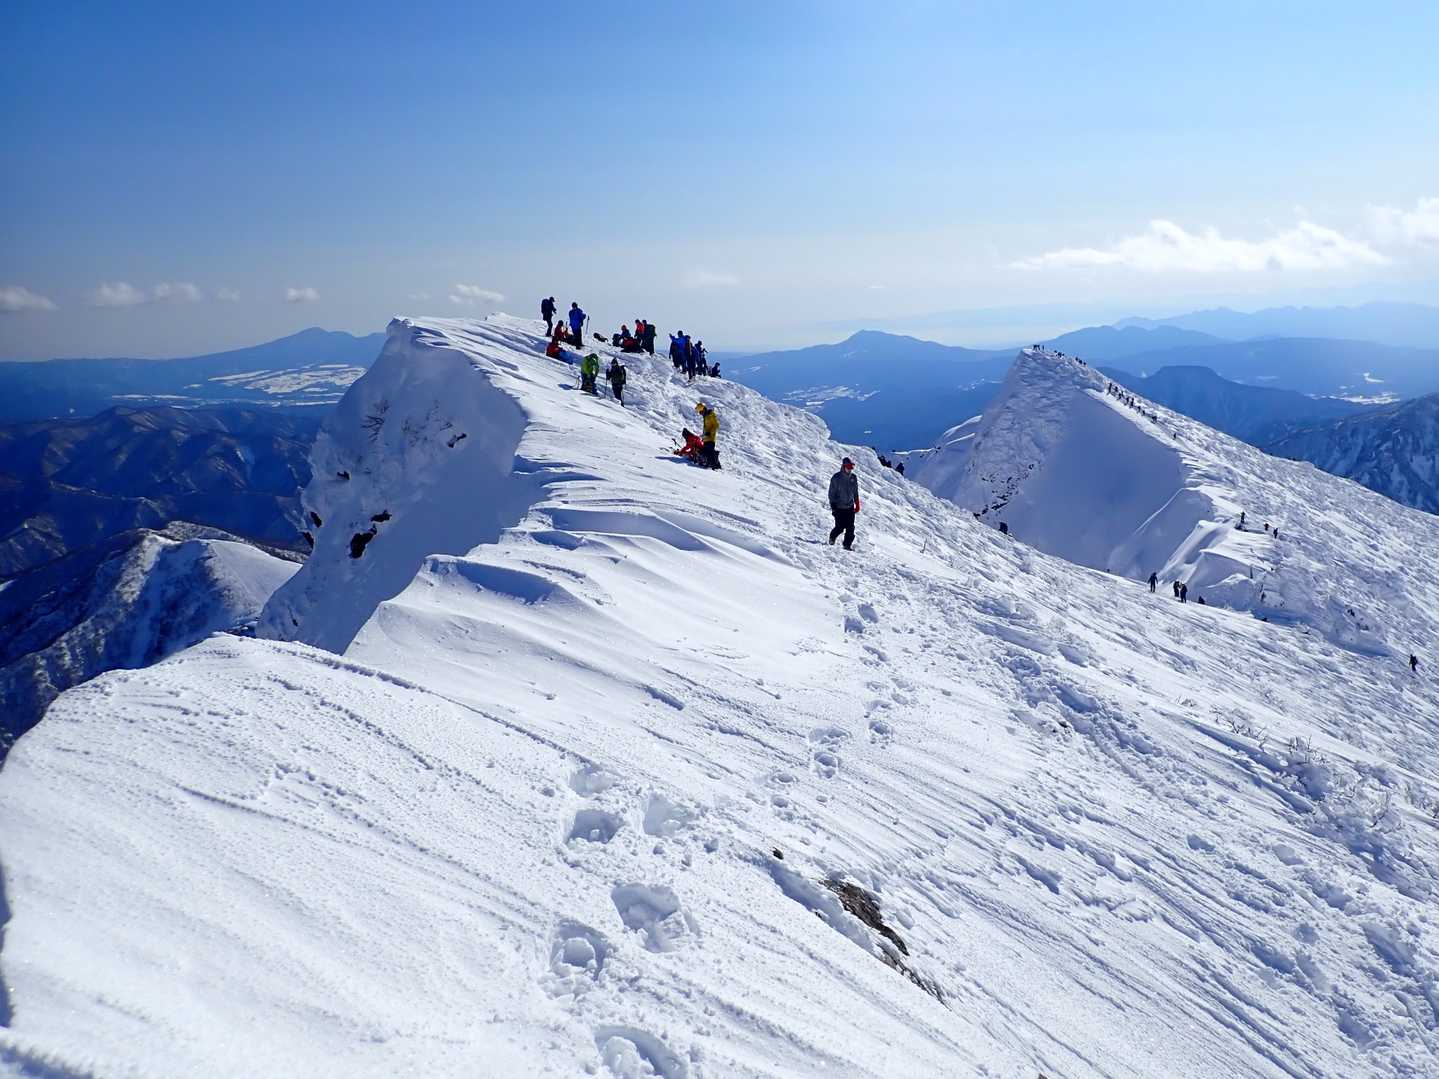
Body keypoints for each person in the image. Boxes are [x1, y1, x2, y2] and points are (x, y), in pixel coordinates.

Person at [827, 457, 860, 549]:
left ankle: (847, 545)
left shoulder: (853, 478)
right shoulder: (836, 478)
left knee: (850, 528)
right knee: (840, 527)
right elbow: (831, 494)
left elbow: (855, 492)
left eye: (851, 467)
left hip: (850, 507)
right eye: (848, 467)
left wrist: (857, 504)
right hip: (839, 507)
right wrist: (833, 507)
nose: (850, 469)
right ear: (843, 466)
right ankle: (832, 537)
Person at [695, 401, 720, 468]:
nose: (700, 414)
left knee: (710, 454)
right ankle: (714, 465)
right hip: (706, 438)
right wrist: (703, 436)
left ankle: (715, 467)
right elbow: (707, 428)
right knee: (707, 454)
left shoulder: (710, 415)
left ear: (703, 410)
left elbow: (716, 425)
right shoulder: (705, 417)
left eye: (700, 412)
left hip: (710, 438)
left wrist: (710, 433)